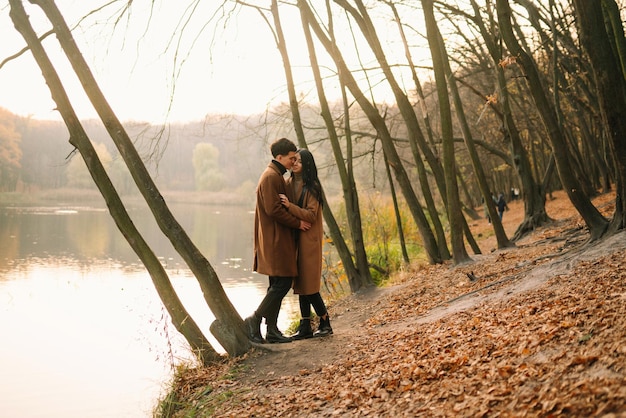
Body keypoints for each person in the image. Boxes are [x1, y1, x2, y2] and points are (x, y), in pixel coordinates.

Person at [245, 138, 311, 344]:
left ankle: (271, 330)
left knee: (276, 284)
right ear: (280, 157)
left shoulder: (275, 175)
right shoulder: (271, 177)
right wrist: (297, 223)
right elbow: (273, 210)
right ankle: (253, 320)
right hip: (275, 239)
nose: (294, 161)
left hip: (276, 238)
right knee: (282, 283)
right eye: (291, 158)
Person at [279, 149, 333, 339]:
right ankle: (305, 326)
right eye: (293, 160)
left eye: (299, 161)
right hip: (294, 240)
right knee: (301, 284)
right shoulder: (289, 183)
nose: (294, 163)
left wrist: (290, 206)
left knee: (309, 285)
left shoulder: (313, 188)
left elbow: (310, 215)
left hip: (309, 241)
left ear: (307, 165)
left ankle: (325, 322)